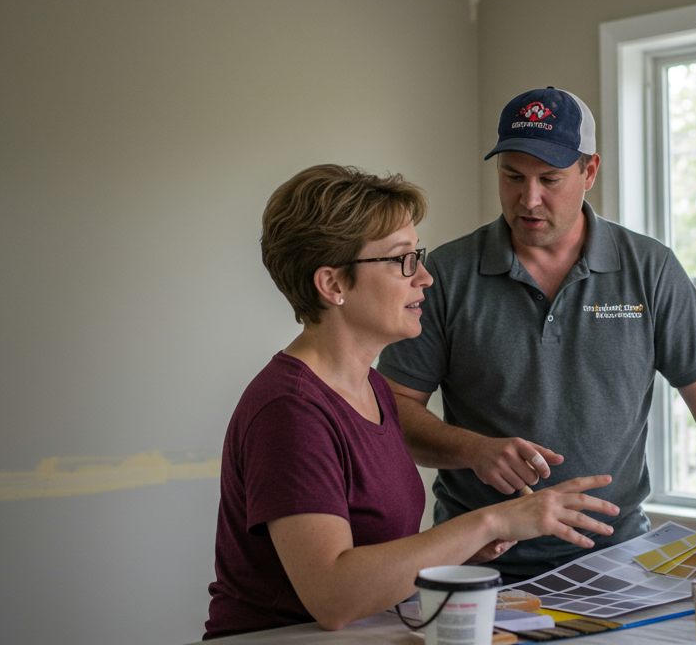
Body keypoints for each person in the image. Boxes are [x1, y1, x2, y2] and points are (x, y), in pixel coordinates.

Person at [377, 87, 696, 581]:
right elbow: (392, 409)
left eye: (550, 179)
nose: (529, 199)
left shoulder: (649, 269)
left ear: (589, 172)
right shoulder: (445, 274)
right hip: (477, 563)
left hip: (619, 560)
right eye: (512, 177)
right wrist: (473, 449)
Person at [205, 164, 619, 638]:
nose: (424, 277)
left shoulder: (374, 389)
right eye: (403, 260)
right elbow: (334, 595)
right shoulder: (290, 412)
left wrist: (459, 548)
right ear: (333, 284)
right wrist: (489, 521)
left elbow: (372, 555)